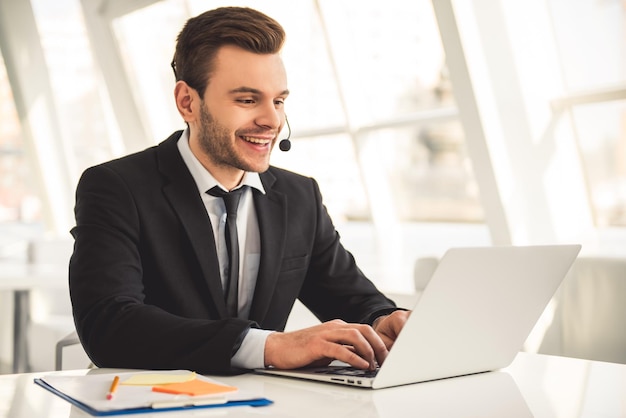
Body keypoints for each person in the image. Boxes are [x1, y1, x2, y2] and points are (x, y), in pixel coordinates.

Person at [69, 6, 409, 375]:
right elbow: (109, 324)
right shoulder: (117, 188)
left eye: (278, 100)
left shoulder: (299, 197)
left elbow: (352, 297)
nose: (272, 120)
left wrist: (382, 320)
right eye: (248, 100)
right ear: (187, 102)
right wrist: (270, 346)